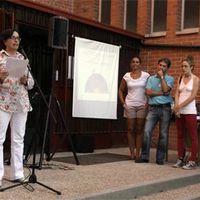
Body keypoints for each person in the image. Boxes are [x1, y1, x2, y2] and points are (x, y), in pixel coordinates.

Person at [0, 29, 34, 187]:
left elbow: (32, 83)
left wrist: (25, 80)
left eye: (18, 38)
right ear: (5, 41)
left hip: (21, 103)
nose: (16, 41)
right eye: (13, 38)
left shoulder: (22, 58)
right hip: (3, 102)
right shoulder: (0, 56)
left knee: (18, 139)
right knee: (0, 139)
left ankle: (17, 174)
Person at [136, 57, 174, 165]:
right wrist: (162, 93)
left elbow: (167, 89)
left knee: (163, 134)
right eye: (160, 65)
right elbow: (148, 92)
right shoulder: (151, 78)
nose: (161, 67)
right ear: (157, 65)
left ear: (167, 68)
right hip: (153, 108)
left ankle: (160, 159)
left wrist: (162, 78)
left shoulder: (170, 79)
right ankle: (144, 157)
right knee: (146, 132)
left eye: (164, 66)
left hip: (165, 108)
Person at [118, 56, 150, 161]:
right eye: (133, 62)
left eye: (137, 62)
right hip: (130, 105)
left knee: (140, 129)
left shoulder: (146, 76)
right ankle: (131, 153)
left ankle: (138, 153)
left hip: (142, 105)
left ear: (140, 64)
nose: (135, 63)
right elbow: (120, 90)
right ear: (131, 64)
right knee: (131, 129)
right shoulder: (126, 76)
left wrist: (148, 102)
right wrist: (123, 103)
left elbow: (150, 89)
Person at [173, 56, 200, 170]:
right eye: (182, 66)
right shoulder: (180, 77)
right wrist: (176, 106)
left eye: (186, 66)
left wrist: (179, 106)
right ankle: (180, 158)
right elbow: (176, 93)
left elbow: (193, 96)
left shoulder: (196, 79)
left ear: (191, 67)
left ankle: (192, 161)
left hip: (189, 110)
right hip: (179, 111)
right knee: (180, 135)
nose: (183, 68)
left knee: (192, 136)